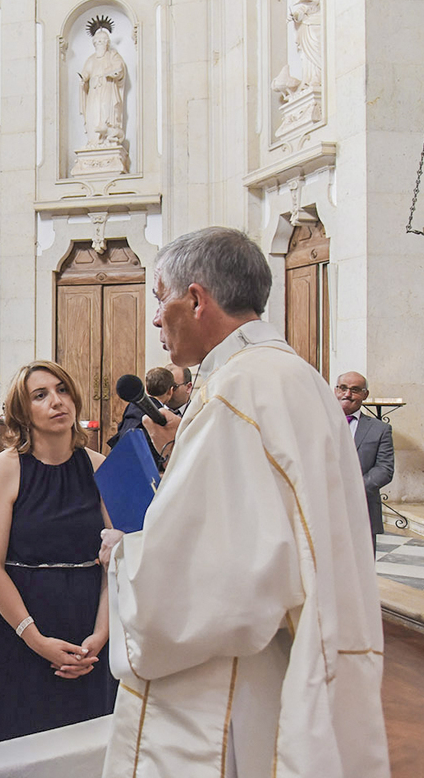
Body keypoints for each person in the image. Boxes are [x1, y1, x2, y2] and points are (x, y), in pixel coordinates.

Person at [98, 228, 388, 777]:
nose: (155, 319)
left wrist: (124, 556)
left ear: (197, 300)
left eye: (160, 299)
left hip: (228, 689)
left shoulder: (237, 391)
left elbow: (213, 580)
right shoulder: (292, 375)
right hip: (284, 660)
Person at [0, 361, 115, 746]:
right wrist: (36, 640)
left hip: (88, 628)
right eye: (40, 395)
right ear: (23, 411)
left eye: (62, 390)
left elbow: (116, 563)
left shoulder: (100, 468)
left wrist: (101, 634)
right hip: (20, 629)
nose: (56, 401)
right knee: (18, 747)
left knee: (85, 748)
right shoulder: (5, 469)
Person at [335, 371, 394, 552]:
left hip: (362, 508)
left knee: (361, 565)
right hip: (323, 507)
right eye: (343, 388)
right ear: (335, 390)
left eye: (355, 390)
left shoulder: (380, 429)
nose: (347, 394)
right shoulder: (316, 424)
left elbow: (385, 469)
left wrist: (354, 488)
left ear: (365, 394)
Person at [106, 366, 175, 470]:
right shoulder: (163, 415)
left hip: (121, 459)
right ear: (170, 391)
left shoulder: (132, 406)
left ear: (146, 388)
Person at [79, 26, 128, 148]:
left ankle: (107, 139)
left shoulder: (112, 55)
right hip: (94, 91)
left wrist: (110, 72)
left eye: (102, 41)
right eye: (97, 41)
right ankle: (93, 140)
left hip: (107, 89)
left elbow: (119, 68)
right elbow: (86, 73)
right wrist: (83, 79)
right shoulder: (91, 59)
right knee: (93, 112)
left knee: (106, 110)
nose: (100, 43)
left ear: (107, 43)